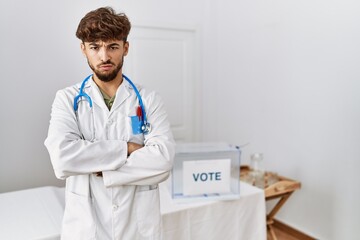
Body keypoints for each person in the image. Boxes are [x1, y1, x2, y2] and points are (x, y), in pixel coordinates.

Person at [44, 7, 175, 240]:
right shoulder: (66, 99)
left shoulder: (148, 100)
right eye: (95, 47)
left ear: (125, 48)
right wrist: (127, 148)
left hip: (138, 229)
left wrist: (99, 169)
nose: (104, 57)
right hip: (86, 229)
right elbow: (62, 158)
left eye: (112, 46)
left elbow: (163, 160)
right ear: (83, 49)